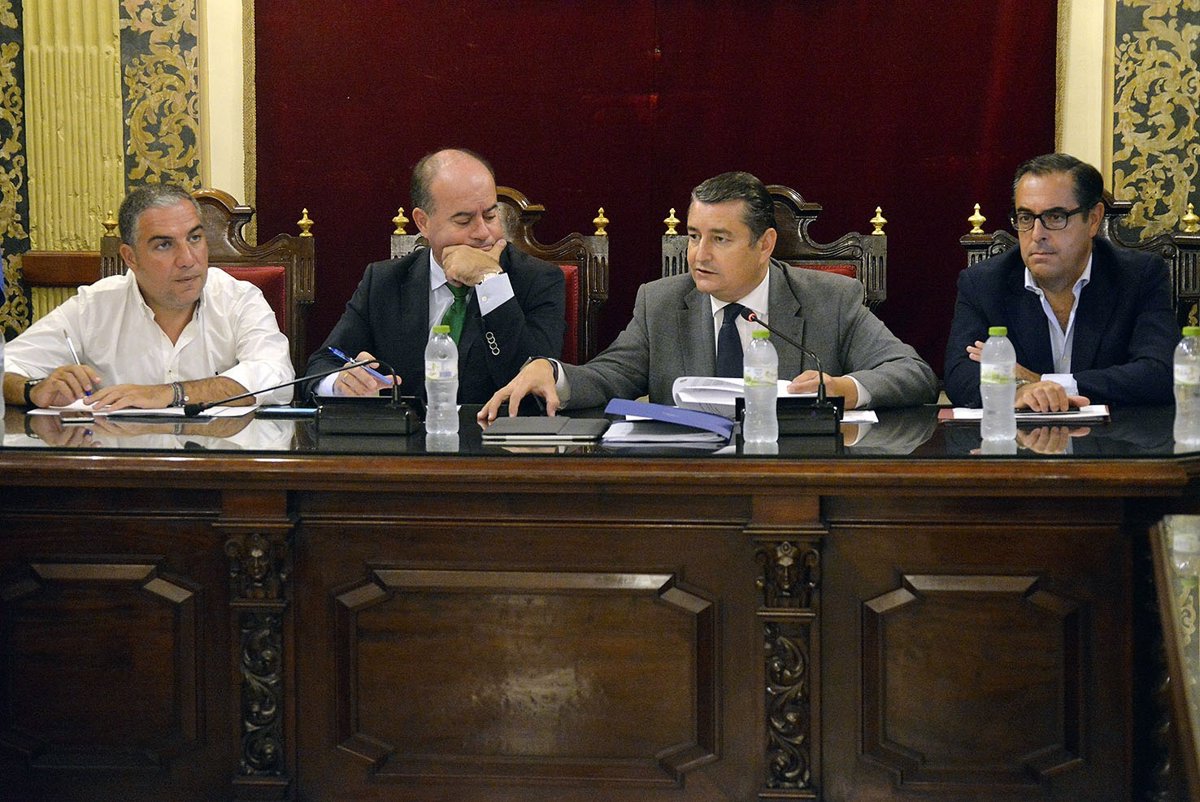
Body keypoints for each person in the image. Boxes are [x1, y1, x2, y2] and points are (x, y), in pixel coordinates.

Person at [479, 171, 937, 419]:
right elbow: (609, 375)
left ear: (765, 244)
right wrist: (552, 372)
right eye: (695, 236)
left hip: (797, 477)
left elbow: (914, 374)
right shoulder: (660, 302)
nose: (699, 254)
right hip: (693, 488)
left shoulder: (829, 299)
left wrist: (844, 389)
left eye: (720, 239)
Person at [304, 148, 565, 403]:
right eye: (464, 221)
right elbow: (322, 364)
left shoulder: (538, 280)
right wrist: (341, 382)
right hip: (407, 431)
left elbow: (533, 384)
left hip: (497, 431)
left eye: (490, 215)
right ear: (423, 222)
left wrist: (490, 282)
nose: (483, 233)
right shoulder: (384, 281)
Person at [2, 184, 294, 410]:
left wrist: (170, 393)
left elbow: (276, 377)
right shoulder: (94, 307)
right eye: (164, 245)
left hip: (221, 463)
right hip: (123, 466)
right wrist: (33, 389)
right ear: (130, 257)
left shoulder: (239, 299)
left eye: (194, 238)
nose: (188, 259)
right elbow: (7, 366)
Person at [943, 152, 1176, 411]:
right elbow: (959, 375)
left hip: (1116, 435)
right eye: (1025, 218)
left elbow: (1160, 372)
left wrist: (1041, 383)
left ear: (1094, 219)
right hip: (1020, 436)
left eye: (1055, 217)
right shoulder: (984, 283)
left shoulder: (1139, 276)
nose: (1037, 234)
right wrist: (1019, 393)